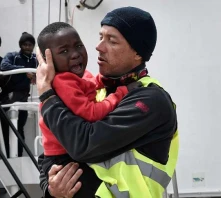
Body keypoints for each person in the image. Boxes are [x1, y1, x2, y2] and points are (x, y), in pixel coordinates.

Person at [37, 6, 178, 198]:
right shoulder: (96, 91)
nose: (98, 46)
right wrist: (51, 189)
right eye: (100, 37)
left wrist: (46, 94)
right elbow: (49, 154)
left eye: (111, 41)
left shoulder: (150, 100)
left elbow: (83, 145)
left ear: (138, 52)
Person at [37, 22, 142, 197]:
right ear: (49, 62)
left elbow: (90, 83)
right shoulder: (63, 82)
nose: (75, 54)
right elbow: (91, 113)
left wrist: (108, 79)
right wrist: (121, 92)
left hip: (68, 154)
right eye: (64, 51)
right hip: (63, 159)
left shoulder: (78, 76)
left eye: (78, 46)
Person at [0, 32, 38, 157]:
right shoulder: (13, 56)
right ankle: (6, 156)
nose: (27, 47)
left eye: (30, 45)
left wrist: (36, 77)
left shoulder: (34, 59)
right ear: (20, 45)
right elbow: (4, 66)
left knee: (20, 126)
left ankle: (19, 155)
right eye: (25, 44)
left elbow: (43, 70)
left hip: (23, 97)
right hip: (9, 96)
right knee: (6, 127)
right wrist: (24, 71)